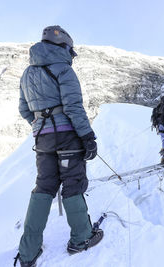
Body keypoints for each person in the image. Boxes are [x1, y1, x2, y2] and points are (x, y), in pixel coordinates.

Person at [14, 26, 103, 267]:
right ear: (64, 46)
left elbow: (24, 110)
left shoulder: (27, 74)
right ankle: (82, 238)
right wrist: (87, 137)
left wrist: (40, 123)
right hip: (68, 138)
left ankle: (28, 251)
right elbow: (73, 107)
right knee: (73, 183)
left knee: (44, 187)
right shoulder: (63, 70)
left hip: (42, 139)